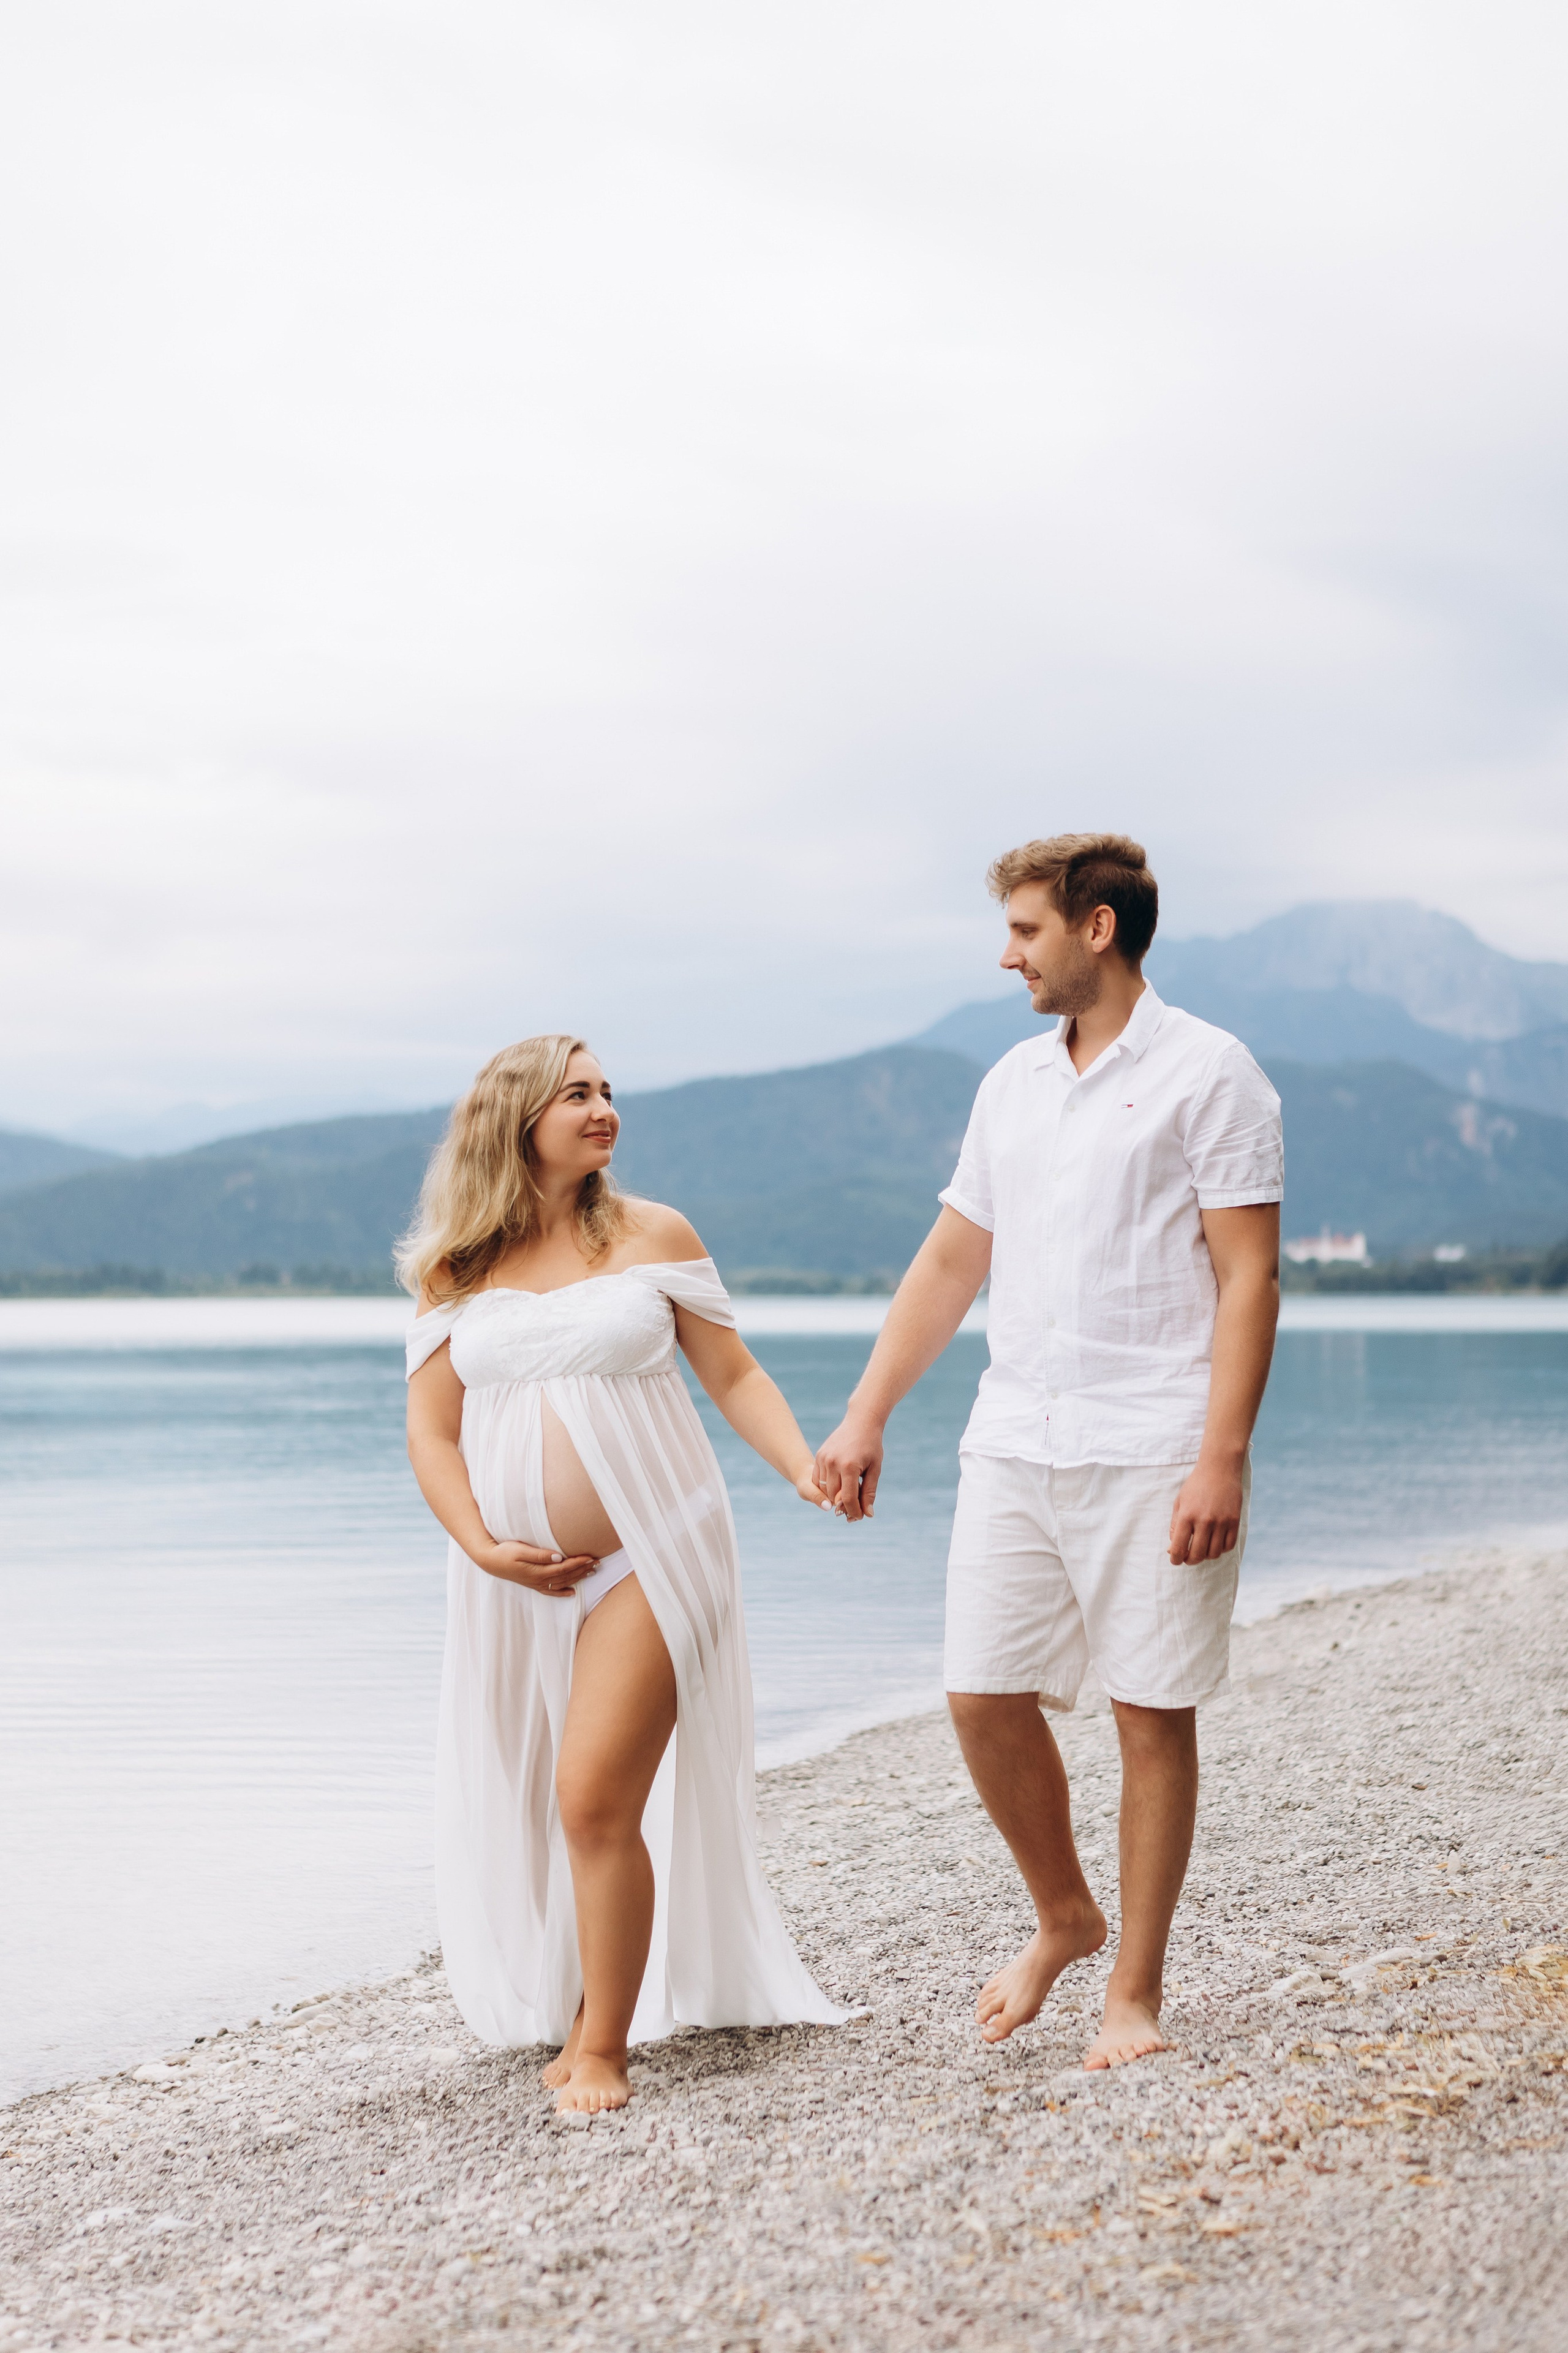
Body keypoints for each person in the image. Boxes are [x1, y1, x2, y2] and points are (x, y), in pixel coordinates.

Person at [814, 834, 1282, 2071]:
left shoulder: (1209, 1073)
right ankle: (1062, 1914)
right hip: (1013, 1438)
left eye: (1024, 929)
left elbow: (1247, 1278)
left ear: (1095, 929)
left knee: (1148, 1711)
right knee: (977, 1692)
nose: (1005, 952)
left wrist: (1218, 1457)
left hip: (1152, 1441)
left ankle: (1132, 1990)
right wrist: (865, 1412)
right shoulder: (1010, 1083)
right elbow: (949, 1263)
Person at [401, 1033, 848, 2115]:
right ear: (516, 1120)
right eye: (577, 1095)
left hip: (659, 1544)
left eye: (608, 1092)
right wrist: (478, 1541)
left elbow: (733, 1373)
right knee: (540, 1796)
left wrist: (806, 1467)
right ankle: (578, 2005)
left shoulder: (655, 1234)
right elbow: (431, 1429)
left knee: (594, 1794)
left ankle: (603, 2048)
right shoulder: (457, 1265)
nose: (604, 1109)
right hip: (512, 1579)